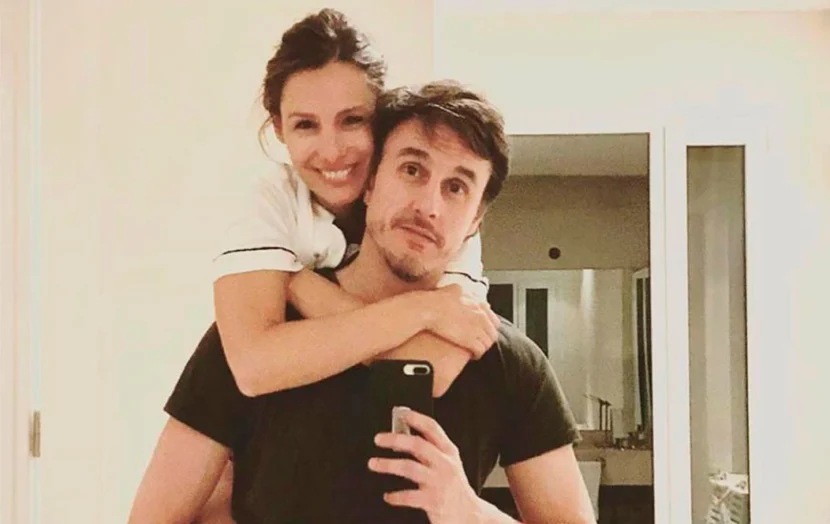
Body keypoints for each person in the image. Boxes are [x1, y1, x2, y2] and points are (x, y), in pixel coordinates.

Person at [129, 80, 596, 524]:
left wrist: (470, 513)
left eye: (456, 187)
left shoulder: (506, 362)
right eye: (412, 170)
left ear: (475, 221)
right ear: (369, 184)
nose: (429, 206)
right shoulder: (264, 331)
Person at [212, 6, 499, 409]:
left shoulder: (431, 216)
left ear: (380, 121)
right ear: (278, 128)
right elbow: (253, 366)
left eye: (351, 121)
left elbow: (431, 369)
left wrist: (296, 283)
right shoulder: (269, 202)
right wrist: (424, 309)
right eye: (306, 125)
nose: (332, 151)